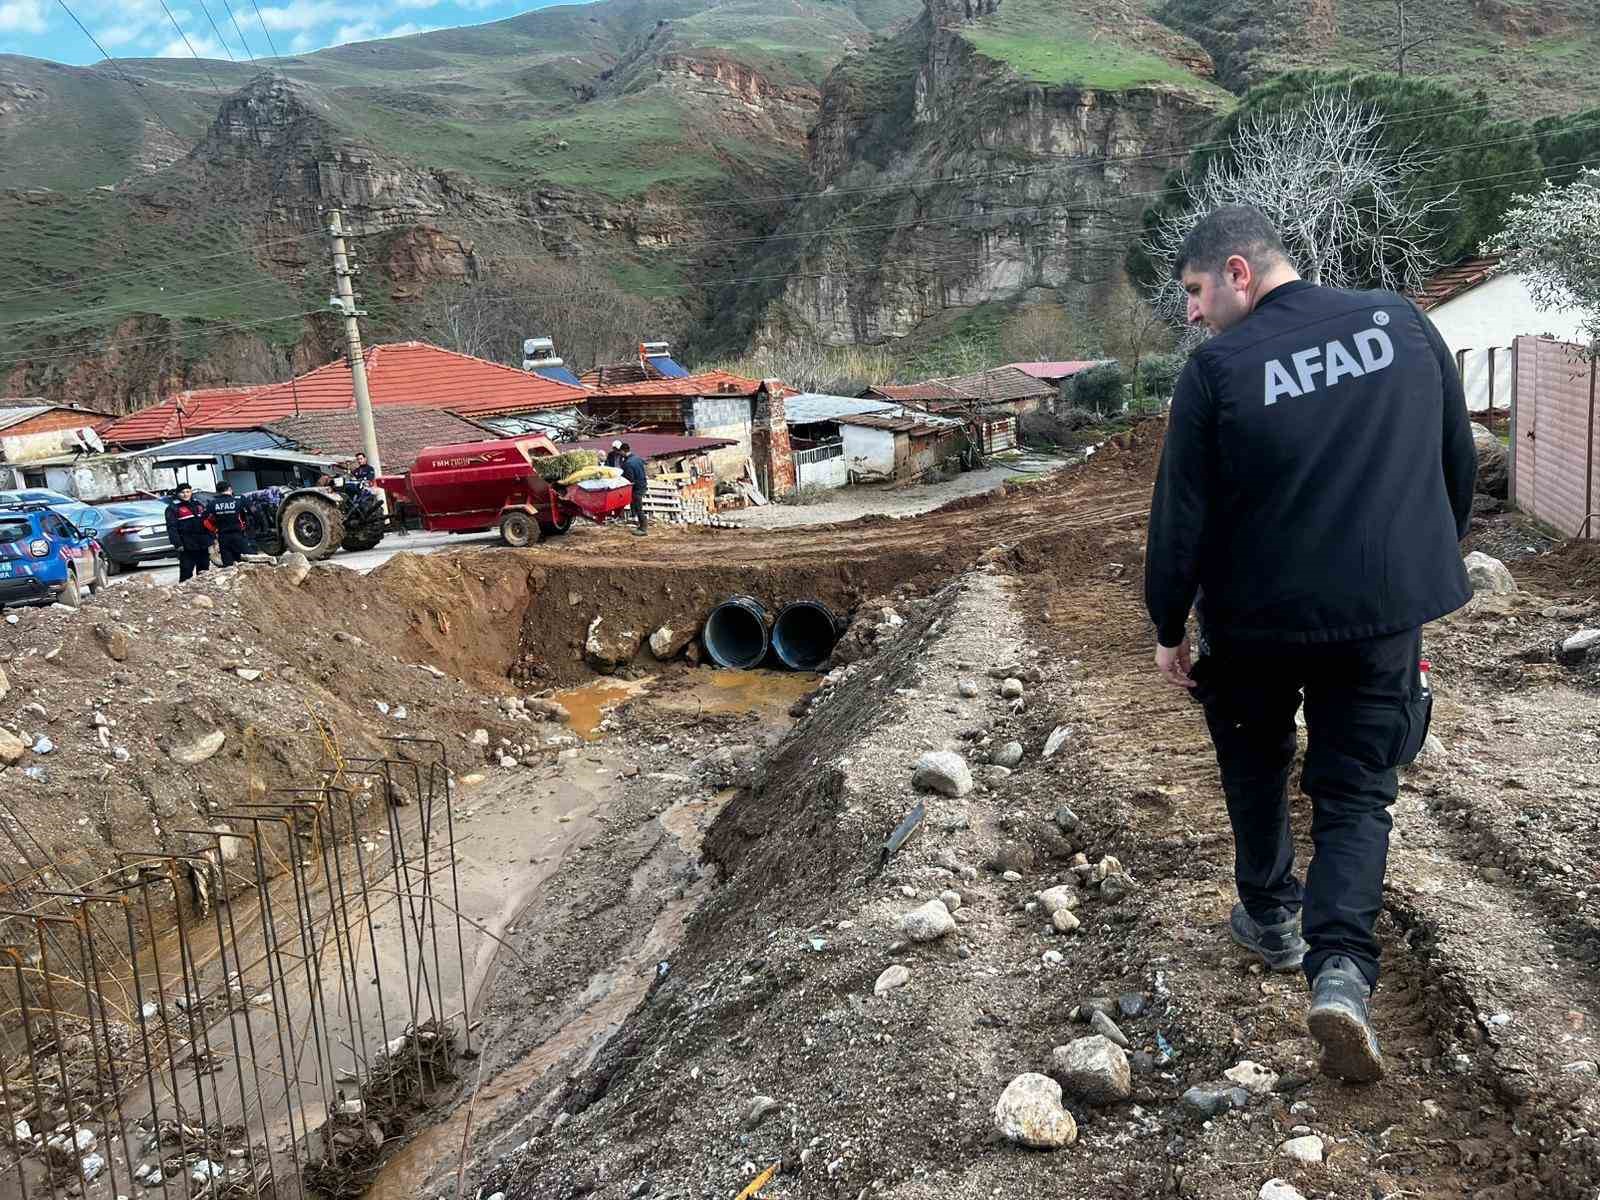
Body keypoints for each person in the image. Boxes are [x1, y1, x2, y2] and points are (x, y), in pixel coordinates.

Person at [1144, 205, 1476, 1084]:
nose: (1191, 313)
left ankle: (1269, 915)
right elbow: (1456, 460)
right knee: (1358, 791)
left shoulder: (1217, 370)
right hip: (1378, 613)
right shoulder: (1400, 323)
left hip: (1257, 623)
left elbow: (1180, 518)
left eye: (1194, 290)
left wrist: (1168, 625)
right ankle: (1341, 971)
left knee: (1255, 762)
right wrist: (1419, 558)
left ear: (1239, 274)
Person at [164, 483, 215, 583]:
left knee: (204, 570)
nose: (185, 494)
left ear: (191, 492)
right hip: (186, 545)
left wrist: (211, 537)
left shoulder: (198, 504)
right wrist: (177, 544)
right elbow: (171, 528)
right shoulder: (173, 508)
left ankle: (203, 590)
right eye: (182, 492)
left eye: (188, 492)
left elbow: (207, 522)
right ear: (178, 494)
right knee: (186, 571)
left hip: (202, 543)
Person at [205, 481, 253, 567]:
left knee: (228, 565)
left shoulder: (212, 503)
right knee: (251, 560)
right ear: (230, 489)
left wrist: (214, 530)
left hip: (223, 538)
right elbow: (254, 512)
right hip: (238, 536)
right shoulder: (239, 499)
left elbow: (205, 521)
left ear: (217, 491)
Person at [618, 442, 648, 537]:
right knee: (636, 506)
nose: (620, 454)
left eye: (620, 452)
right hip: (642, 484)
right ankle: (640, 525)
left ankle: (643, 529)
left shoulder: (628, 463)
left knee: (638, 507)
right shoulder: (637, 458)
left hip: (636, 488)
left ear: (623, 451)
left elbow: (629, 479)